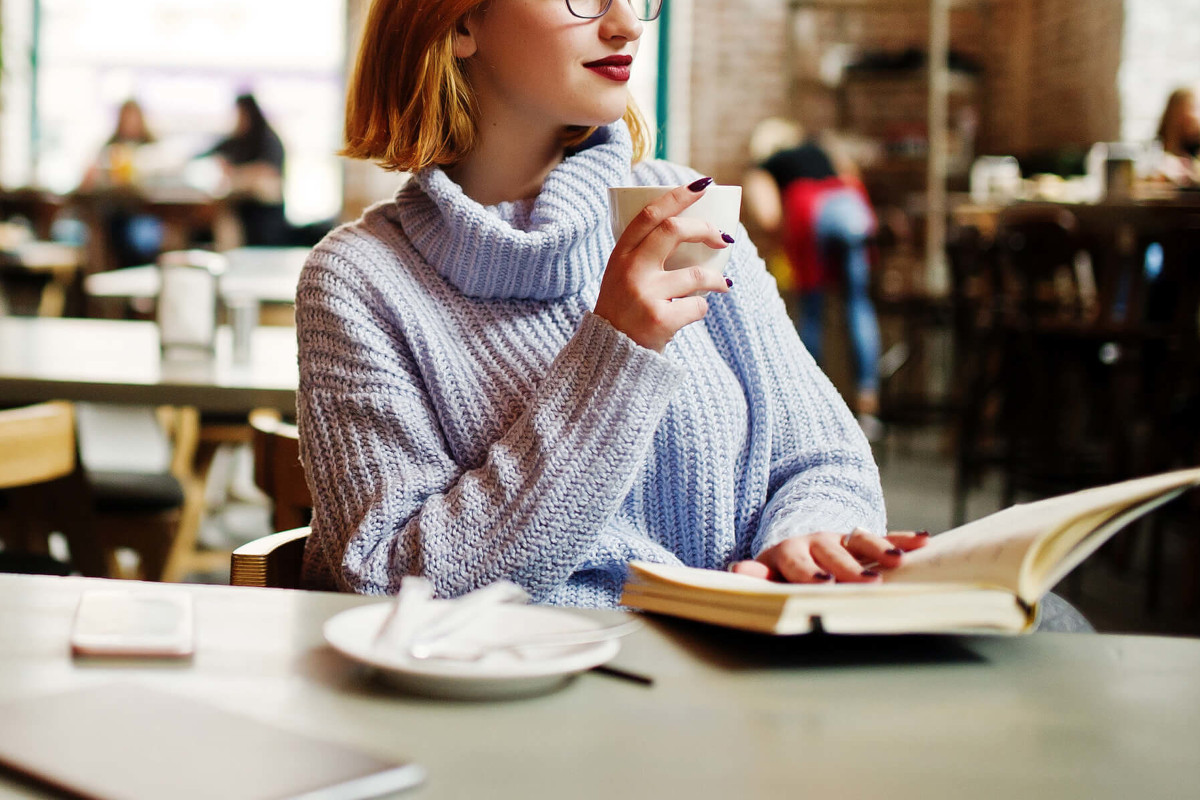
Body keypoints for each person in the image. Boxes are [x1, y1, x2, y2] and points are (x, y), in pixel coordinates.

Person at [295, 0, 1089, 632]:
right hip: (557, 696)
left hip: (752, 656)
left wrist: (807, 537)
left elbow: (824, 458)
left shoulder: (682, 206)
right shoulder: (361, 281)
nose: (624, 22)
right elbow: (382, 586)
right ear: (460, 19)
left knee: (1049, 623)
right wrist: (615, 351)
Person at [743, 118, 883, 435]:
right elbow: (851, 178)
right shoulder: (823, 152)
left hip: (811, 209)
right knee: (859, 304)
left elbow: (767, 217)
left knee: (811, 308)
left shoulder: (766, 164)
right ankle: (868, 404)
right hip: (850, 207)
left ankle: (811, 407)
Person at [80, 99, 164, 267]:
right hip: (112, 213)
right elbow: (86, 184)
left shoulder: (154, 150)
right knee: (99, 231)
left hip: (145, 213)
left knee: (139, 235)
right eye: (126, 119)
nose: (130, 123)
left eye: (133, 118)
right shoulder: (109, 149)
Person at [201, 93, 291, 246]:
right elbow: (208, 152)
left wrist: (238, 174)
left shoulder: (268, 139)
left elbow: (267, 172)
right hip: (240, 203)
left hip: (264, 207)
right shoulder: (238, 139)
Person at [1154, 87, 1200, 186]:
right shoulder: (1159, 144)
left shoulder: (1196, 143)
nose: (1191, 115)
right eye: (1185, 109)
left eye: (1193, 108)